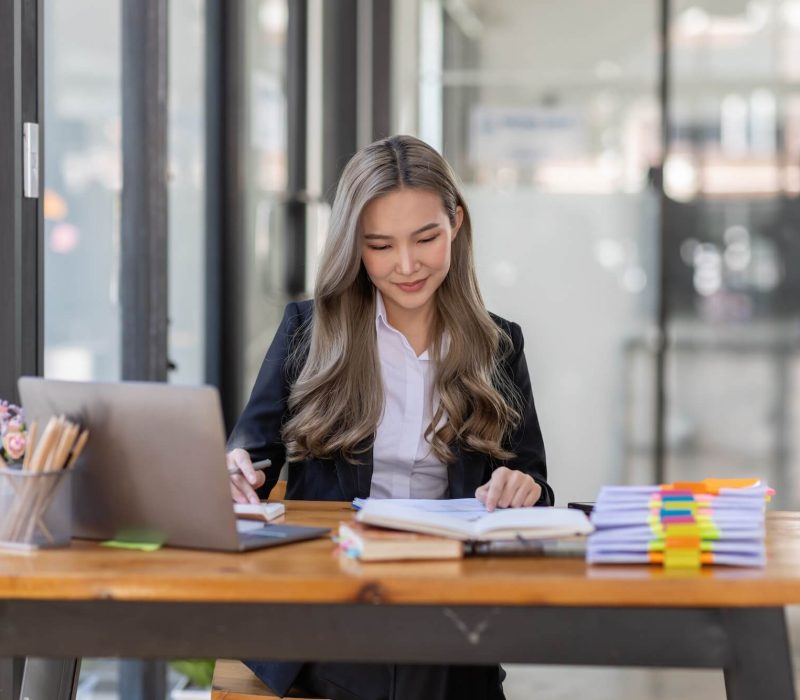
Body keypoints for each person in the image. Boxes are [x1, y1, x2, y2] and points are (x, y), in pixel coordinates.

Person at [226, 134, 552, 700]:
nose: (406, 266)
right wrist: (237, 471)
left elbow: (537, 487)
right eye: (379, 246)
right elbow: (251, 453)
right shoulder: (311, 331)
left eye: (426, 238)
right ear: (354, 246)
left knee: (417, 654)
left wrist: (519, 486)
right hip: (337, 594)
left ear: (456, 224)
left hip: (447, 596)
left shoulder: (498, 345)